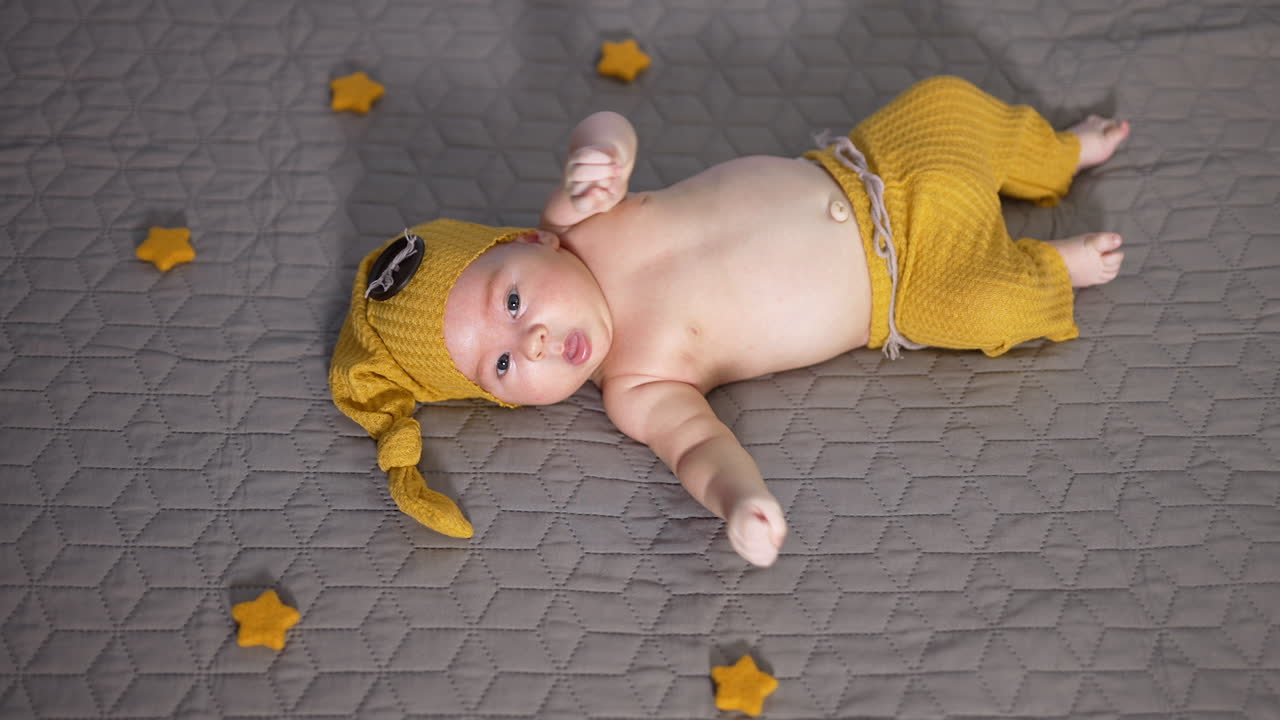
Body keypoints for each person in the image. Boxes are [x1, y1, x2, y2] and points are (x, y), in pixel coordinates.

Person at [330, 76, 1130, 567]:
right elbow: (702, 449)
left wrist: (598, 153)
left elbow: (606, 127)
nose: (531, 341)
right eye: (503, 367)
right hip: (907, 279)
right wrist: (739, 502)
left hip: (872, 163)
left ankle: (1060, 152)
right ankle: (1049, 266)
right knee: (984, 307)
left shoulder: (584, 220)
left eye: (511, 302)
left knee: (951, 104)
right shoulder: (636, 385)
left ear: (531, 242)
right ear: (507, 401)